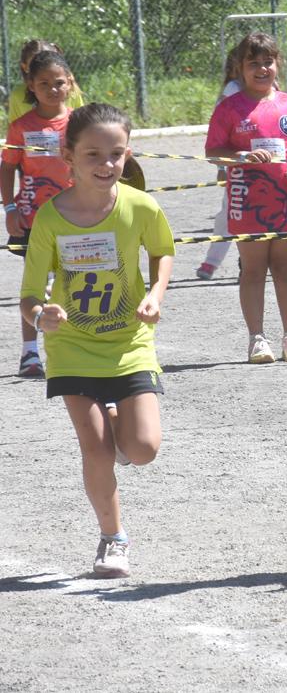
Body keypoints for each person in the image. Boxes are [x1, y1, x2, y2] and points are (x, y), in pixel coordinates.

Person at [20, 102, 175, 578]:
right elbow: (28, 295)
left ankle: (120, 422)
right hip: (72, 347)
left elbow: (163, 251)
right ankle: (113, 539)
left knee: (143, 449)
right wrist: (41, 315)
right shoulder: (50, 218)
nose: (106, 165)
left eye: (116, 154)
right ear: (68, 155)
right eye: (93, 154)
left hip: (129, 344)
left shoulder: (141, 206)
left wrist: (154, 293)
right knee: (97, 449)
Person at [204, 32, 287, 365]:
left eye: (268, 61)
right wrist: (239, 157)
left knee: (286, 270)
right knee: (253, 271)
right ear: (240, 67)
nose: (262, 69)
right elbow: (213, 151)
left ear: (277, 63)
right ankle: (257, 339)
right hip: (247, 202)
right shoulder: (229, 108)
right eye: (254, 63)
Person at [2, 50, 76, 377]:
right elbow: (7, 169)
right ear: (31, 86)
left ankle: (75, 347)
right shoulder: (20, 127)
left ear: (70, 84)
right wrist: (10, 207)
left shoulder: (80, 122)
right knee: (34, 285)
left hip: (75, 216)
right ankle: (30, 354)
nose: (52, 88)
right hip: (32, 219)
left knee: (73, 281)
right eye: (43, 83)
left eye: (58, 82)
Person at [195, 49, 242, 280]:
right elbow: (220, 136)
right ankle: (211, 262)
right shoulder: (233, 90)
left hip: (270, 170)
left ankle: (284, 259)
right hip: (240, 170)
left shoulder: (273, 92)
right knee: (229, 215)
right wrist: (223, 168)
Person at [6, 39, 85, 124]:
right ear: (25, 67)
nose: (45, 69)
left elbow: (83, 125)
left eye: (49, 62)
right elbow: (15, 130)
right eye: (35, 65)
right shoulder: (18, 95)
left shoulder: (71, 91)